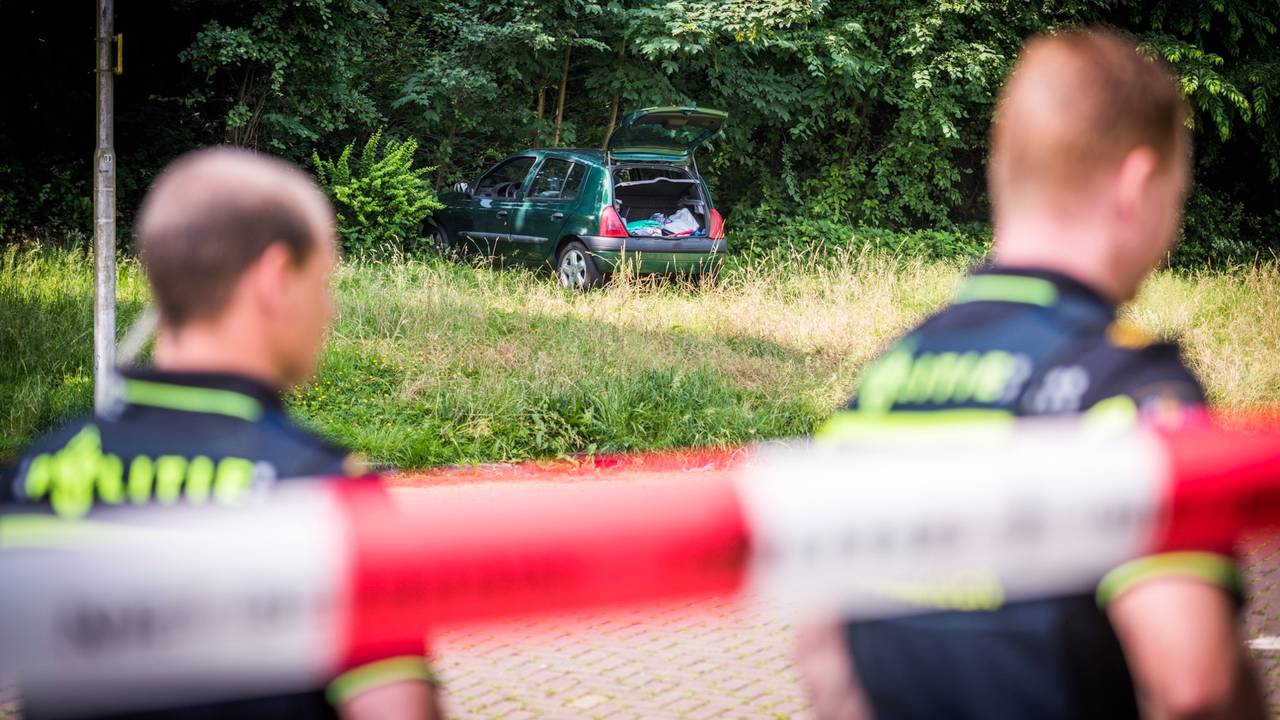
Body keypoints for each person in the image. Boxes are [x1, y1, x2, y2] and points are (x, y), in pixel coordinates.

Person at [798, 28, 1267, 720]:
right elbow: (1193, 687)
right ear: (1136, 187)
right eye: (1177, 194)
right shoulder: (1130, 393)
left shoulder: (880, 386)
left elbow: (826, 666)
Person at [1, 148, 443, 720]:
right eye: (322, 282)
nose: (328, 309)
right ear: (273, 277)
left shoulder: (32, 477)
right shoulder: (326, 496)